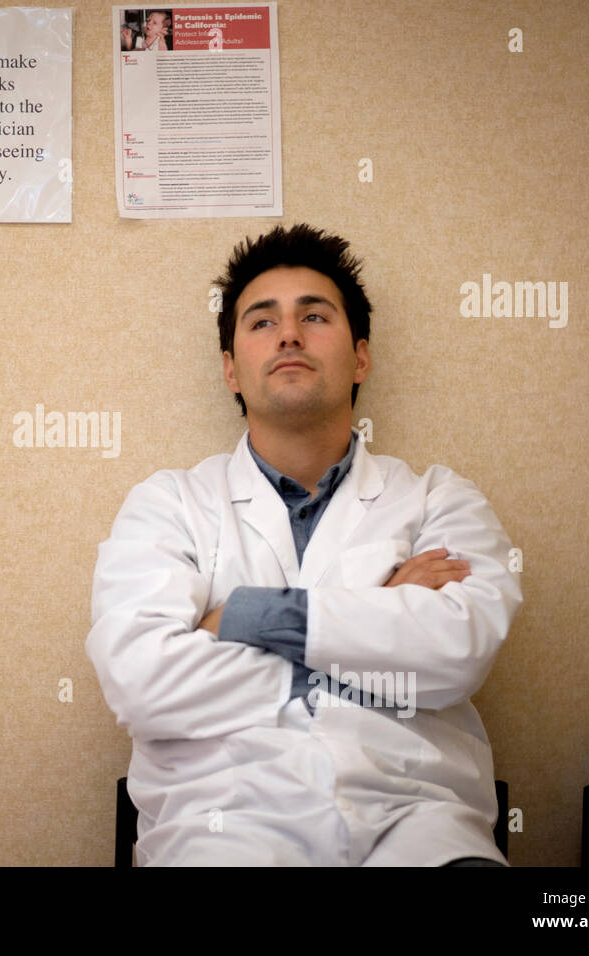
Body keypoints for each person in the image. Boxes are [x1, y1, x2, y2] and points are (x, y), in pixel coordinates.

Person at [86, 223, 523, 866]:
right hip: (225, 820)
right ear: (231, 369)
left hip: (419, 819)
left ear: (361, 357)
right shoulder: (168, 504)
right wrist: (378, 612)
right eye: (262, 322)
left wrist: (239, 616)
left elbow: (458, 651)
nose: (289, 333)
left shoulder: (439, 500)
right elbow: (142, 683)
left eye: (314, 316)